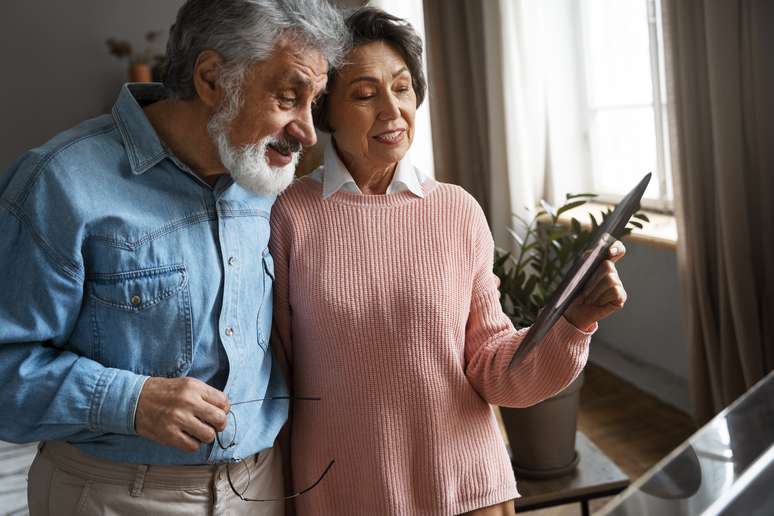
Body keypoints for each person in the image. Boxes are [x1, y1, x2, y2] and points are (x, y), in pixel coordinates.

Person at [269, 7, 629, 515]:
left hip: (468, 489)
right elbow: (275, 378)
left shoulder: (456, 209)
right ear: (325, 110)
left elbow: (494, 367)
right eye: (365, 94)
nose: (392, 111)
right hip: (343, 494)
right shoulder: (288, 215)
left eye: (402, 88)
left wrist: (576, 320)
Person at [0, 1, 345, 514]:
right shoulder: (56, 183)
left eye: (313, 102)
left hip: (263, 488)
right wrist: (132, 401)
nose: (308, 131)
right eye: (288, 97)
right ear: (211, 79)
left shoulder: (268, 184)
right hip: (116, 497)